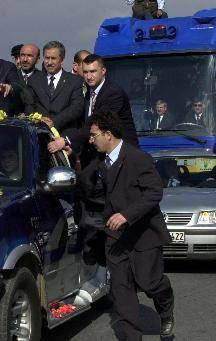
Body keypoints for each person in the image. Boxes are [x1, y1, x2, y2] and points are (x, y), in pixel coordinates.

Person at [84, 111, 174, 341]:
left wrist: (126, 214)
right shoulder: (100, 161)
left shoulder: (137, 158)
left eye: (94, 135)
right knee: (122, 290)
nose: (90, 140)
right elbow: (86, 186)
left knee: (150, 282)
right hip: (115, 237)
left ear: (108, 134)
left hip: (144, 234)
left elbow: (155, 192)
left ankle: (165, 310)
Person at [49, 54, 138, 169]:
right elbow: (83, 124)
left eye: (93, 71)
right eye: (85, 72)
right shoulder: (89, 92)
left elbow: (96, 124)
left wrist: (66, 140)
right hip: (97, 155)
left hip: (121, 158)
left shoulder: (113, 93)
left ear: (103, 71)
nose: (89, 76)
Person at [26, 41, 84, 134]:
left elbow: (76, 108)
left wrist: (55, 121)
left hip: (64, 134)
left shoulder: (74, 81)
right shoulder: (34, 80)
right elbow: (29, 105)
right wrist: (40, 119)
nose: (49, 62)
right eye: (46, 58)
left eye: (53, 58)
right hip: (39, 133)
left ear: (62, 60)